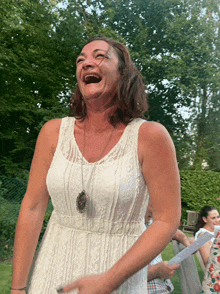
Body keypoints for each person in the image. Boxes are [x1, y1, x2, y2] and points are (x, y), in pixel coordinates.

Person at [10, 36, 181, 294]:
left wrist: (108, 280)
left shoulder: (150, 136)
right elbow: (32, 207)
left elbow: (166, 220)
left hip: (118, 280)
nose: (86, 63)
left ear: (124, 73)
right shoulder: (52, 133)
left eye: (99, 56)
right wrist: (17, 288)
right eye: (81, 60)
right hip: (52, 272)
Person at [145, 202, 193, 293]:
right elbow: (119, 280)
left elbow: (175, 233)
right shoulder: (124, 234)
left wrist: (188, 243)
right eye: (151, 205)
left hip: (164, 290)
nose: (154, 211)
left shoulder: (150, 224)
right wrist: (155, 271)